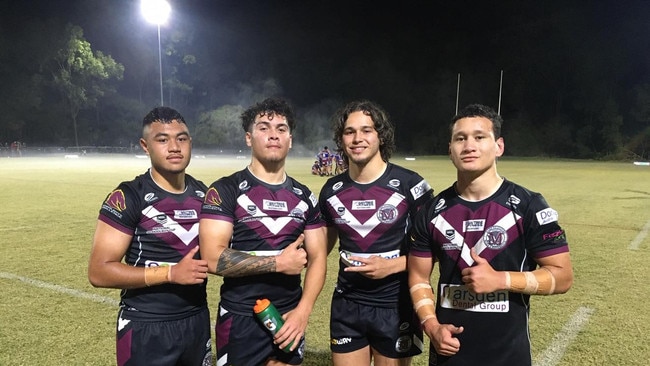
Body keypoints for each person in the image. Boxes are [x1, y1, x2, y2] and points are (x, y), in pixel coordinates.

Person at [407, 104, 574, 366]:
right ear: (450, 149)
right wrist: (431, 326)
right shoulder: (431, 211)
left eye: (479, 137)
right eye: (460, 138)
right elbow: (418, 277)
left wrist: (501, 279)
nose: (469, 146)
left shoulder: (528, 205)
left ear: (499, 146)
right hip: (448, 355)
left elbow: (562, 277)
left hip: (507, 356)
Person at [199, 97, 327, 366]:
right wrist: (277, 263)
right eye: (264, 127)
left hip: (290, 315)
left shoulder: (305, 196)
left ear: (290, 140)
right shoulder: (225, 190)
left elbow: (318, 259)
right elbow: (212, 258)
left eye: (281, 129)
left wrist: (303, 312)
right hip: (240, 317)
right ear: (249, 137)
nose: (273, 135)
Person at [87, 106, 212, 366]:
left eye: (182, 138)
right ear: (145, 146)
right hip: (146, 324)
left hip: (197, 320)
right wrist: (170, 273)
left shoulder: (205, 195)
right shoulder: (128, 196)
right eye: (163, 139)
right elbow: (99, 272)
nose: (174, 147)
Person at [319, 100, 434, 366]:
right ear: (341, 138)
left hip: (394, 304)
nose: (357, 138)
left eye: (367, 130)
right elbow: (320, 248)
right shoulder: (331, 190)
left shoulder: (412, 185)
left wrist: (391, 266)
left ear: (381, 136)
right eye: (349, 132)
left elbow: (434, 249)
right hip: (347, 303)